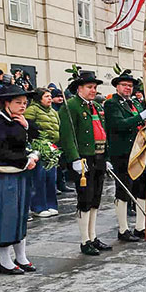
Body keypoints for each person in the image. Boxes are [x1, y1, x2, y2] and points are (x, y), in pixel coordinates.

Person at [0, 82, 39, 274]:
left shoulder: (18, 119)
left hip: (19, 173)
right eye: (18, 102)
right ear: (6, 103)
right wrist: (26, 159)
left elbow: (37, 135)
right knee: (5, 216)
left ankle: (21, 257)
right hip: (3, 174)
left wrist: (27, 125)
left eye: (25, 102)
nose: (23, 106)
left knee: (21, 214)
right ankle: (5, 261)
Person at [58, 70, 112, 255]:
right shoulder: (71, 106)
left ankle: (93, 236)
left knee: (96, 199)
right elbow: (67, 135)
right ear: (79, 88)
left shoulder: (96, 106)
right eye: (89, 87)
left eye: (95, 87)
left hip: (99, 157)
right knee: (85, 199)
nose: (93, 90)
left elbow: (104, 132)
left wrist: (107, 157)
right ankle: (84, 240)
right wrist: (74, 158)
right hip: (83, 158)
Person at [104, 70, 146, 241]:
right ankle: (123, 228)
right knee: (124, 189)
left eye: (130, 86)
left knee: (142, 188)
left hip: (139, 151)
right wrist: (140, 116)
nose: (127, 88)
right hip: (123, 152)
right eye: (124, 85)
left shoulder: (135, 103)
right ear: (117, 87)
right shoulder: (112, 104)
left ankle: (140, 227)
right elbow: (118, 124)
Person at [23, 87, 61, 218]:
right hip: (38, 147)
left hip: (52, 147)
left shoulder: (54, 111)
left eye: (50, 96)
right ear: (39, 98)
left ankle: (51, 204)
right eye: (46, 96)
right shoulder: (32, 110)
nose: (50, 98)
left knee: (51, 178)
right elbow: (28, 127)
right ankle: (38, 207)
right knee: (39, 178)